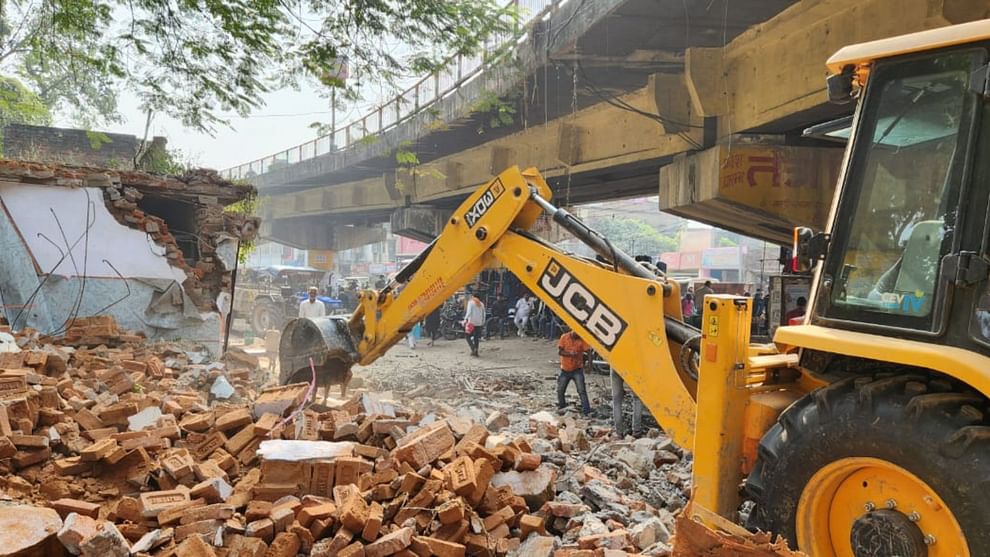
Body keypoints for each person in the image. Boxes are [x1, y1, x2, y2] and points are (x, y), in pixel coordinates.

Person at [557, 330, 592, 415]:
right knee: (560, 390)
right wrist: (570, 354)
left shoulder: (582, 339)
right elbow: (560, 352)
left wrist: (590, 365)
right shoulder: (564, 337)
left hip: (577, 369)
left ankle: (586, 411)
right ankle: (562, 408)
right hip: (565, 369)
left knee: (582, 391)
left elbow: (589, 352)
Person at [611, 369, 644, 437]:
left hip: (615, 365)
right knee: (637, 398)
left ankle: (619, 432)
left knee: (617, 401)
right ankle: (636, 430)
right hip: (633, 366)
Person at [463, 289, 486, 356]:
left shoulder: (471, 302)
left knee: (467, 336)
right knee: (476, 337)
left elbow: (469, 312)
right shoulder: (481, 304)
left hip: (471, 323)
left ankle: (473, 349)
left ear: (473, 296)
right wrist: (483, 322)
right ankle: (476, 351)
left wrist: (465, 319)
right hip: (479, 323)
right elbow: (483, 314)